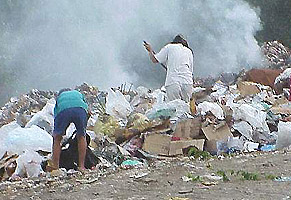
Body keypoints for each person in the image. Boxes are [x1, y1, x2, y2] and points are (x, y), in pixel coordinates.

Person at [144, 34, 194, 102]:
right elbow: (190, 71)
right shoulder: (189, 51)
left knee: (174, 107)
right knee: (187, 107)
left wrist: (150, 50)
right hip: (187, 83)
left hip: (173, 82)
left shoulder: (169, 47)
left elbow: (155, 60)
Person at [51, 88, 89, 171]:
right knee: (82, 137)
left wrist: (60, 133)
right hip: (80, 109)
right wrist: (83, 127)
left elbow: (57, 115)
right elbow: (88, 111)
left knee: (57, 139)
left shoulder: (60, 97)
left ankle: (55, 167)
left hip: (64, 111)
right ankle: (81, 166)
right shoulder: (78, 93)